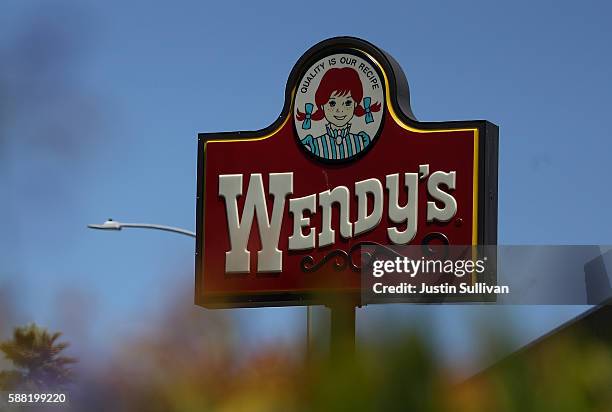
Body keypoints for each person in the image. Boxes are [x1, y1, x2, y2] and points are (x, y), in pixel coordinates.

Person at [296, 67, 381, 160]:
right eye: (332, 103)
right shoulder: (314, 144)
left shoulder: (361, 140)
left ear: (356, 104)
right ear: (322, 105)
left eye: (348, 103)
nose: (339, 110)